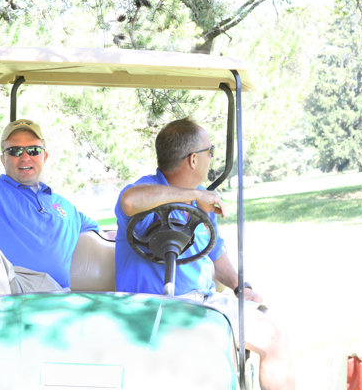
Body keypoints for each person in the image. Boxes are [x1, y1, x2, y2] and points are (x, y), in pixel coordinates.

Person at [115, 117, 295, 390]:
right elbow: (129, 202)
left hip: (202, 303)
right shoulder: (146, 189)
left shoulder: (201, 197)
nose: (212, 158)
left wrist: (239, 286)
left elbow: (215, 252)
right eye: (209, 152)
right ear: (193, 160)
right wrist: (194, 197)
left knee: (274, 338)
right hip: (148, 307)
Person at [0, 74, 100, 302]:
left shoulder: (65, 207)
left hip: (61, 299)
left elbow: (106, 237)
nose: (25, 157)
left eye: (33, 150)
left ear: (44, 156)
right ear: (2, 158)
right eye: (15, 151)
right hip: (11, 295)